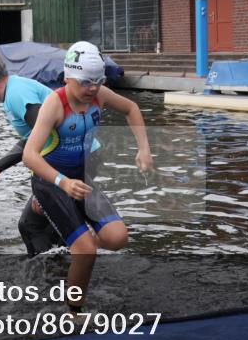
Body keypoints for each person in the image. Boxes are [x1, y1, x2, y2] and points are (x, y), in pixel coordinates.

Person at [22, 41, 154, 313]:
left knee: (118, 238)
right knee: (86, 249)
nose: (92, 88)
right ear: (68, 76)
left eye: (98, 80)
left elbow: (131, 109)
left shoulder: (99, 95)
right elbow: (29, 156)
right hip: (50, 183)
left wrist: (144, 149)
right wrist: (63, 182)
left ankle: (76, 246)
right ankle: (73, 313)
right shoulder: (54, 104)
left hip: (80, 179)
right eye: (84, 82)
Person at [0, 47, 63, 256]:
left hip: (69, 161)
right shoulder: (14, 90)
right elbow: (33, 138)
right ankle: (60, 274)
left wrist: (46, 187)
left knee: (30, 225)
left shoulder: (16, 95)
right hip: (73, 160)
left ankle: (48, 281)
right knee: (52, 228)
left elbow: (52, 135)